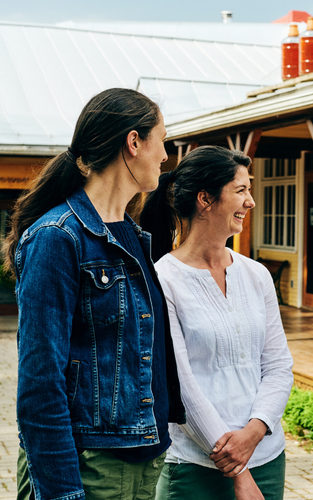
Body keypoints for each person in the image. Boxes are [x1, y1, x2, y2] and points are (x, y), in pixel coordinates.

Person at [5, 88, 186, 500]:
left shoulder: (132, 233)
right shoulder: (58, 236)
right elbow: (39, 382)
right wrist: (63, 491)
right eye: (162, 140)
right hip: (92, 468)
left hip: (144, 459)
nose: (165, 155)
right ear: (134, 142)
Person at [139, 145, 293, 500]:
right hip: (194, 467)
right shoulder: (161, 280)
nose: (251, 201)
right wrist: (237, 469)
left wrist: (254, 432)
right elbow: (180, 385)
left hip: (267, 457)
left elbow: (278, 365)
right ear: (205, 199)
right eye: (241, 190)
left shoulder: (256, 274)